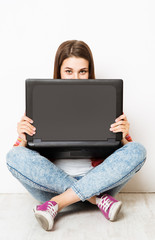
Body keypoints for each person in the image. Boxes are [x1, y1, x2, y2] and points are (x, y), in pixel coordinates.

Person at [6, 40, 146, 231]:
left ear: (90, 72)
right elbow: (18, 160)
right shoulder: (41, 103)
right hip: (52, 190)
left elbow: (127, 152)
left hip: (100, 184)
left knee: (137, 150)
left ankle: (58, 204)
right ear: (59, 71)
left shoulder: (105, 101)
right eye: (69, 71)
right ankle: (96, 201)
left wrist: (124, 136)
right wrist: (22, 138)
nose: (75, 78)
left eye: (82, 71)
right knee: (13, 155)